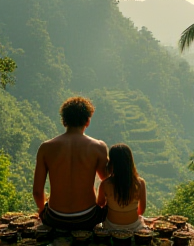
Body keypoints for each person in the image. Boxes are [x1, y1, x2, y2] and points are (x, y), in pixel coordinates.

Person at [33, 96, 109, 230]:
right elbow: (109, 182)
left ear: (64, 121)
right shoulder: (98, 147)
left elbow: (38, 192)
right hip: (89, 217)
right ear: (87, 121)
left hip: (54, 218)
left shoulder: (46, 148)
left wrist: (42, 210)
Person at [97, 143, 146, 231]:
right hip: (134, 226)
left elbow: (100, 204)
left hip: (111, 226)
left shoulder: (105, 184)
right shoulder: (140, 183)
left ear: (111, 163)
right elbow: (141, 211)